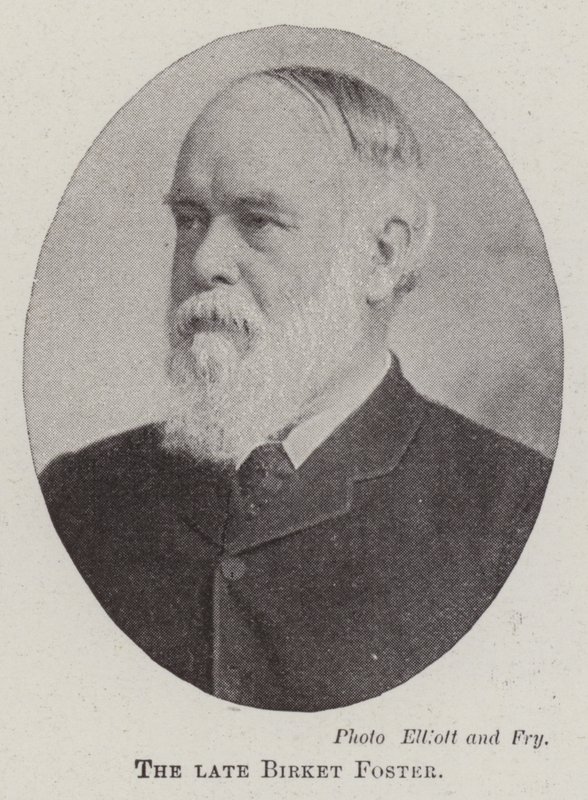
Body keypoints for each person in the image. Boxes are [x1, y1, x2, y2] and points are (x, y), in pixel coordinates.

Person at [40, 66, 552, 712]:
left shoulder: (518, 516)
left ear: (382, 256)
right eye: (190, 219)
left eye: (258, 222)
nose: (203, 262)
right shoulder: (77, 497)